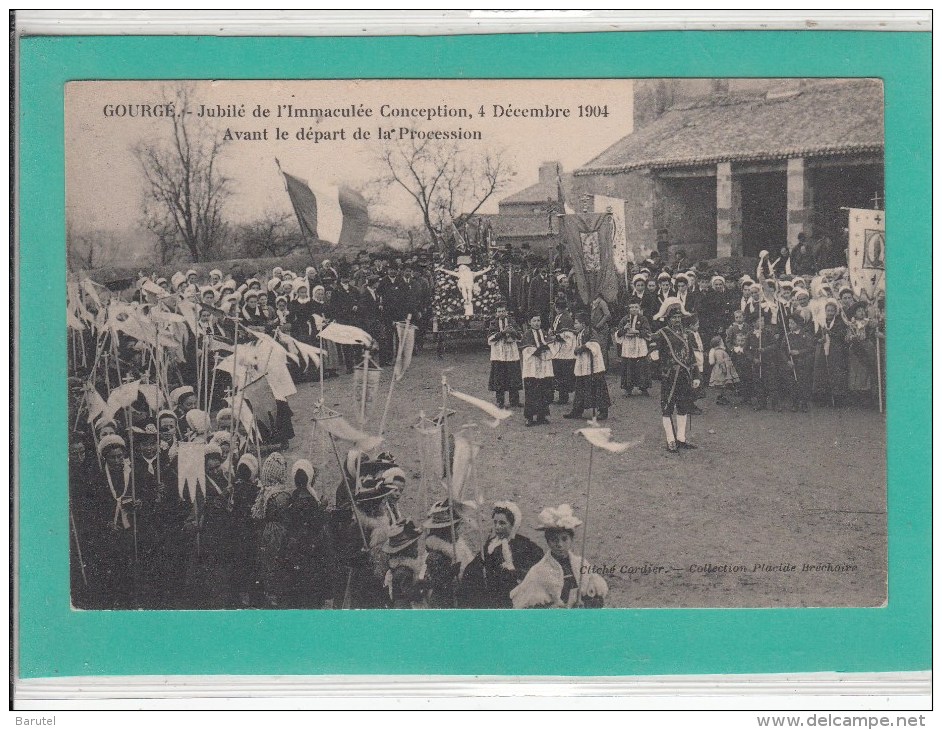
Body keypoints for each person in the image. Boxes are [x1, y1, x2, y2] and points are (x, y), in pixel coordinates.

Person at [511, 504, 608, 609]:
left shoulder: (581, 563)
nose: (560, 544)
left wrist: (586, 604)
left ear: (571, 539)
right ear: (548, 542)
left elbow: (597, 600)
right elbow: (525, 607)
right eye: (554, 540)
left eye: (564, 539)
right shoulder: (539, 571)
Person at [460, 501, 544, 608]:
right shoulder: (490, 544)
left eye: (502, 523)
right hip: (488, 597)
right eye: (495, 522)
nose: (497, 527)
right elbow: (473, 568)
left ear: (513, 524)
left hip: (510, 598)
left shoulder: (522, 546)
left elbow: (531, 573)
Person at [650, 298, 701, 453]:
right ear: (668, 319)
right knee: (667, 408)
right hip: (670, 376)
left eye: (679, 317)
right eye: (673, 317)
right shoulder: (661, 334)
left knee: (683, 407)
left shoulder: (688, 335)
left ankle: (681, 438)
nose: (677, 320)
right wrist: (656, 360)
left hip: (685, 376)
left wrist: (696, 376)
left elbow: (692, 357)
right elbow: (652, 352)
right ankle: (670, 440)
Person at [564, 310, 611, 421]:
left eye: (576, 323)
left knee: (598, 386)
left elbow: (595, 344)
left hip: (593, 364)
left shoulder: (590, 332)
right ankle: (577, 410)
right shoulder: (580, 333)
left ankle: (603, 410)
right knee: (580, 386)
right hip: (583, 363)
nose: (574, 325)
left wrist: (583, 347)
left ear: (583, 324)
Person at [519, 312, 555, 427]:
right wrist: (537, 350)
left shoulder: (544, 333)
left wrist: (549, 346)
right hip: (532, 367)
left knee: (544, 391)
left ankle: (542, 415)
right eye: (534, 321)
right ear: (530, 322)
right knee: (532, 392)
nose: (536, 323)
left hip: (544, 366)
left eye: (538, 320)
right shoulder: (527, 334)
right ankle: (529, 417)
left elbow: (551, 344)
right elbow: (526, 350)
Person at [813, 299, 849, 407]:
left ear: (835, 312)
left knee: (836, 372)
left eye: (832, 311)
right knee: (822, 372)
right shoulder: (822, 322)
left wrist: (831, 333)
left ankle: (838, 398)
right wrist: (820, 339)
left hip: (835, 350)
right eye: (828, 311)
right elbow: (817, 336)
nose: (830, 313)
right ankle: (823, 398)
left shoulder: (839, 322)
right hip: (823, 349)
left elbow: (841, 336)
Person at [487, 306, 522, 409]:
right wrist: (502, 333)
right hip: (499, 354)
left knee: (513, 377)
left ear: (506, 312)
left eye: (503, 311)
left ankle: (514, 401)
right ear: (496, 313)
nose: (501, 313)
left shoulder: (512, 321)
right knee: (499, 378)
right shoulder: (493, 323)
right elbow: (490, 338)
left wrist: (513, 332)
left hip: (511, 352)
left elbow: (520, 335)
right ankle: (500, 401)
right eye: (499, 311)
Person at [615, 300, 652, 396]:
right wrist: (624, 329)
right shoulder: (625, 319)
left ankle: (643, 387)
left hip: (639, 343)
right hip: (628, 344)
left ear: (639, 309)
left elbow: (647, 332)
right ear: (629, 309)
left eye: (636, 307)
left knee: (642, 366)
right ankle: (628, 388)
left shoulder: (643, 319)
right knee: (628, 366)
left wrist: (637, 331)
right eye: (631, 307)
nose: (634, 309)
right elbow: (618, 333)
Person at [780, 315, 815, 412]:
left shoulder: (805, 335)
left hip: (803, 363)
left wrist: (798, 352)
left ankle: (804, 403)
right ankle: (794, 403)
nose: (790, 325)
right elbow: (782, 350)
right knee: (792, 384)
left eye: (792, 323)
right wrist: (787, 361)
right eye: (789, 323)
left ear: (798, 324)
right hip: (791, 364)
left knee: (803, 384)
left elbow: (811, 348)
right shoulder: (787, 336)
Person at [549, 300, 576, 406]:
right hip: (559, 348)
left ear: (557, 307)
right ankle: (561, 394)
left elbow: (567, 335)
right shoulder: (559, 316)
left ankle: (563, 396)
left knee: (563, 372)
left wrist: (555, 336)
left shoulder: (566, 318)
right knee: (559, 371)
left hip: (565, 349)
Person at [707, 336, 739, 406]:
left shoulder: (721, 350)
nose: (723, 342)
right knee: (721, 384)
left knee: (723, 385)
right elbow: (720, 361)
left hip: (723, 369)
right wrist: (724, 369)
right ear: (718, 343)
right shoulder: (718, 351)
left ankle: (722, 397)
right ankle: (720, 398)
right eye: (721, 341)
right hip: (721, 370)